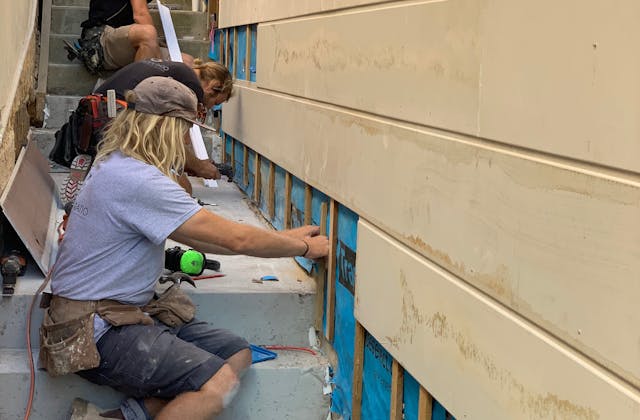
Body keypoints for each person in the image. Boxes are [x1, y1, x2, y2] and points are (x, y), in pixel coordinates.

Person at [40, 76, 329, 419]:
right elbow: (234, 238)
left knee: (237, 354)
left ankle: (118, 418)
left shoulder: (119, 164)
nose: (185, 140)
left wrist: (288, 238)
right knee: (218, 383)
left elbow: (205, 237)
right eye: (184, 130)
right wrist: (302, 247)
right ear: (164, 127)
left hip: (119, 313)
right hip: (93, 329)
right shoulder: (137, 180)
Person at [59, 58, 233, 203]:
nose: (211, 107)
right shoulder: (192, 87)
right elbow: (176, 145)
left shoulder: (176, 69)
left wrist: (193, 163)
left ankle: (92, 169)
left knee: (121, 161)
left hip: (91, 114)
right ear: (214, 86)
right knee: (182, 191)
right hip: (116, 116)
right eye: (216, 102)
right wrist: (200, 167)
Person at [78, 0, 193, 73]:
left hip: (122, 41)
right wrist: (158, 56)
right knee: (148, 33)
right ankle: (136, 96)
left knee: (187, 62)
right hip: (99, 42)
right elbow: (140, 15)